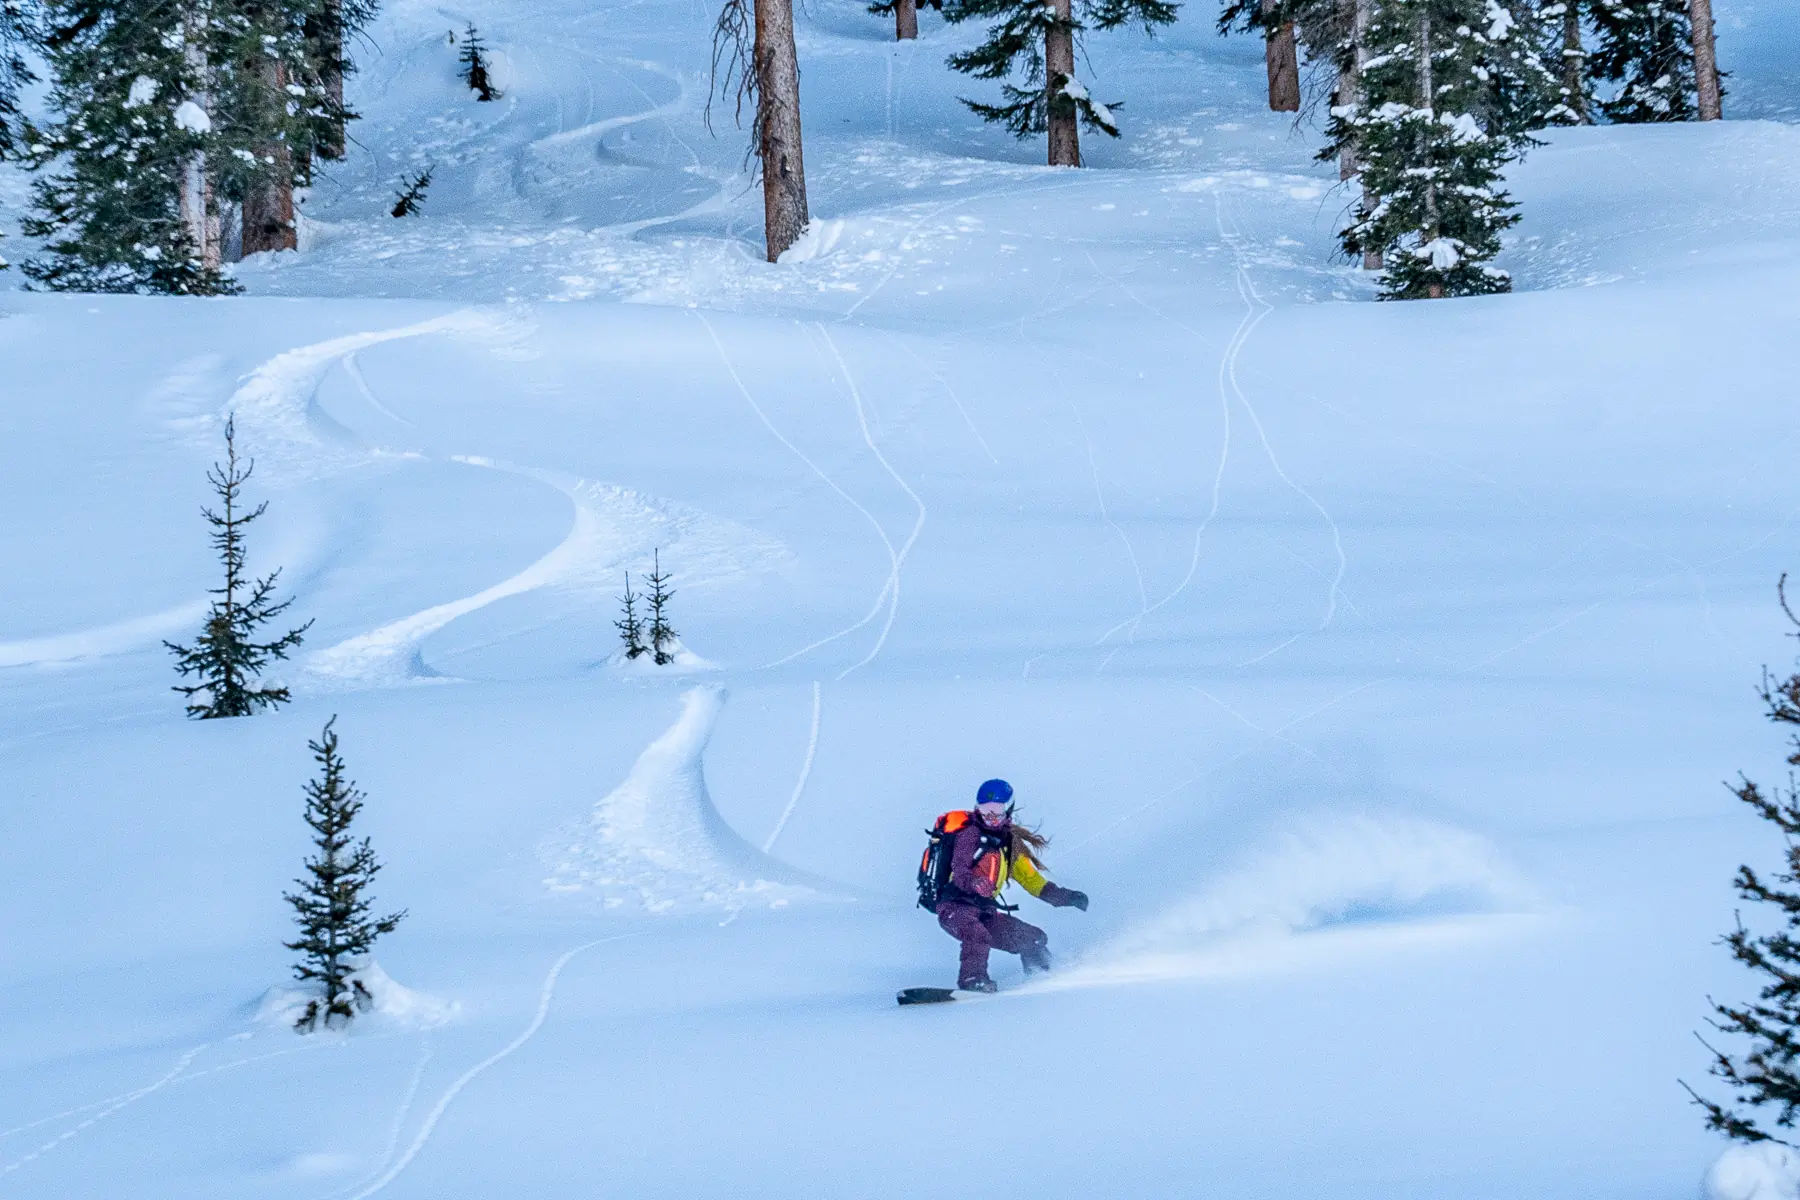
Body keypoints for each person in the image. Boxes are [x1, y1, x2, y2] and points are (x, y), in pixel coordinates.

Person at [934, 778, 1089, 993]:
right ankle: (973, 982)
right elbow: (959, 871)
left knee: (1034, 939)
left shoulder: (1011, 844)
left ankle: (1044, 977)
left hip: (984, 912)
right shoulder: (968, 836)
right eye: (985, 809)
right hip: (955, 908)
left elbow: (1033, 881)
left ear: (1009, 809)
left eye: (997, 809)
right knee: (977, 934)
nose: (990, 816)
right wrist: (974, 882)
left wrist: (1067, 897)